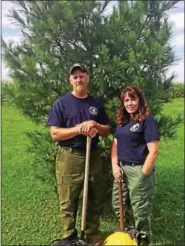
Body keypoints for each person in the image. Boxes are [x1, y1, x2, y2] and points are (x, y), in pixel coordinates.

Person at [47, 63, 110, 245]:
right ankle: (69, 237)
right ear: (70, 80)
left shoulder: (96, 104)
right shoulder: (61, 103)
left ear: (87, 78)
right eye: (75, 77)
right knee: (68, 197)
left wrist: (95, 125)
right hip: (70, 155)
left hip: (94, 155)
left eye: (82, 76)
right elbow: (55, 133)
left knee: (94, 196)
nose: (78, 79)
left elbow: (106, 130)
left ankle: (91, 235)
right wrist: (79, 129)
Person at [111, 86, 159, 246]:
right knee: (118, 204)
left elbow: (153, 151)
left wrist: (143, 173)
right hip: (121, 168)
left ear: (139, 100)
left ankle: (143, 241)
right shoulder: (122, 121)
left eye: (133, 99)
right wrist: (115, 166)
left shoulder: (147, 121)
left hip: (139, 169)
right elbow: (115, 145)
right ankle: (131, 236)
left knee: (140, 210)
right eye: (126, 100)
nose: (130, 103)